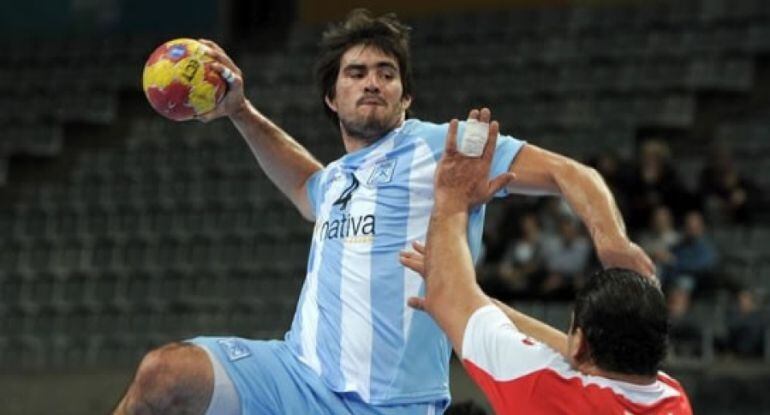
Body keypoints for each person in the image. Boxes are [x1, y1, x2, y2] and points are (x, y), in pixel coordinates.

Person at [114, 9, 653, 415]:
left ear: (405, 96)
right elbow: (306, 184)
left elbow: (571, 173)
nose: (372, 81)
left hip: (391, 404)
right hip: (297, 377)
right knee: (162, 375)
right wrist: (240, 111)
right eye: (355, 73)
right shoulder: (338, 180)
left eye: (385, 72)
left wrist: (611, 240)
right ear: (332, 97)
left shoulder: (446, 146)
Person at [399, 119, 692, 414]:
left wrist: (452, 197)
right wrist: (485, 302)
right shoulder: (671, 397)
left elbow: (447, 298)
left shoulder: (545, 389)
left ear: (579, 344)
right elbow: (577, 350)